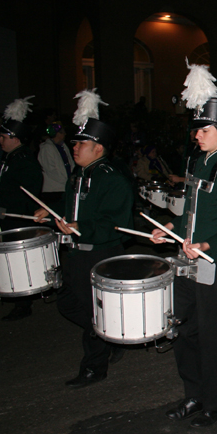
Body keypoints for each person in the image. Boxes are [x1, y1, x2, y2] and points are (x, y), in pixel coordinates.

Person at [152, 62, 217, 428]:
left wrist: (207, 244)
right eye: (196, 128)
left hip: (214, 263)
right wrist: (170, 226)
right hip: (185, 259)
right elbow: (189, 213)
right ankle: (193, 395)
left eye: (204, 128)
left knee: (212, 337)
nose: (197, 135)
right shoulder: (197, 162)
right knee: (182, 330)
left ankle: (215, 402)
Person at [34, 89, 134, 387]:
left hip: (99, 254)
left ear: (99, 148)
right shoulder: (78, 176)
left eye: (81, 143)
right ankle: (109, 335)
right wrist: (50, 212)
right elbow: (72, 212)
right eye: (75, 142)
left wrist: (80, 226)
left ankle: (94, 367)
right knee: (67, 303)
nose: (74, 147)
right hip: (76, 253)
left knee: (94, 310)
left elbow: (116, 224)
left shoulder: (112, 178)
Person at [0, 97, 44, 321]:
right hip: (2, 215)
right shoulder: (9, 158)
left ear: (15, 138)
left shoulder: (25, 162)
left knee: (16, 261)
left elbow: (27, 196)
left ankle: (23, 301)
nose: (0, 139)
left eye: (3, 136)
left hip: (16, 218)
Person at [38, 121, 75, 204]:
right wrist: (66, 181)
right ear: (58, 134)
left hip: (64, 188)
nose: (65, 134)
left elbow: (70, 164)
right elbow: (50, 169)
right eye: (63, 132)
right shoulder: (47, 148)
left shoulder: (63, 146)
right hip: (53, 190)